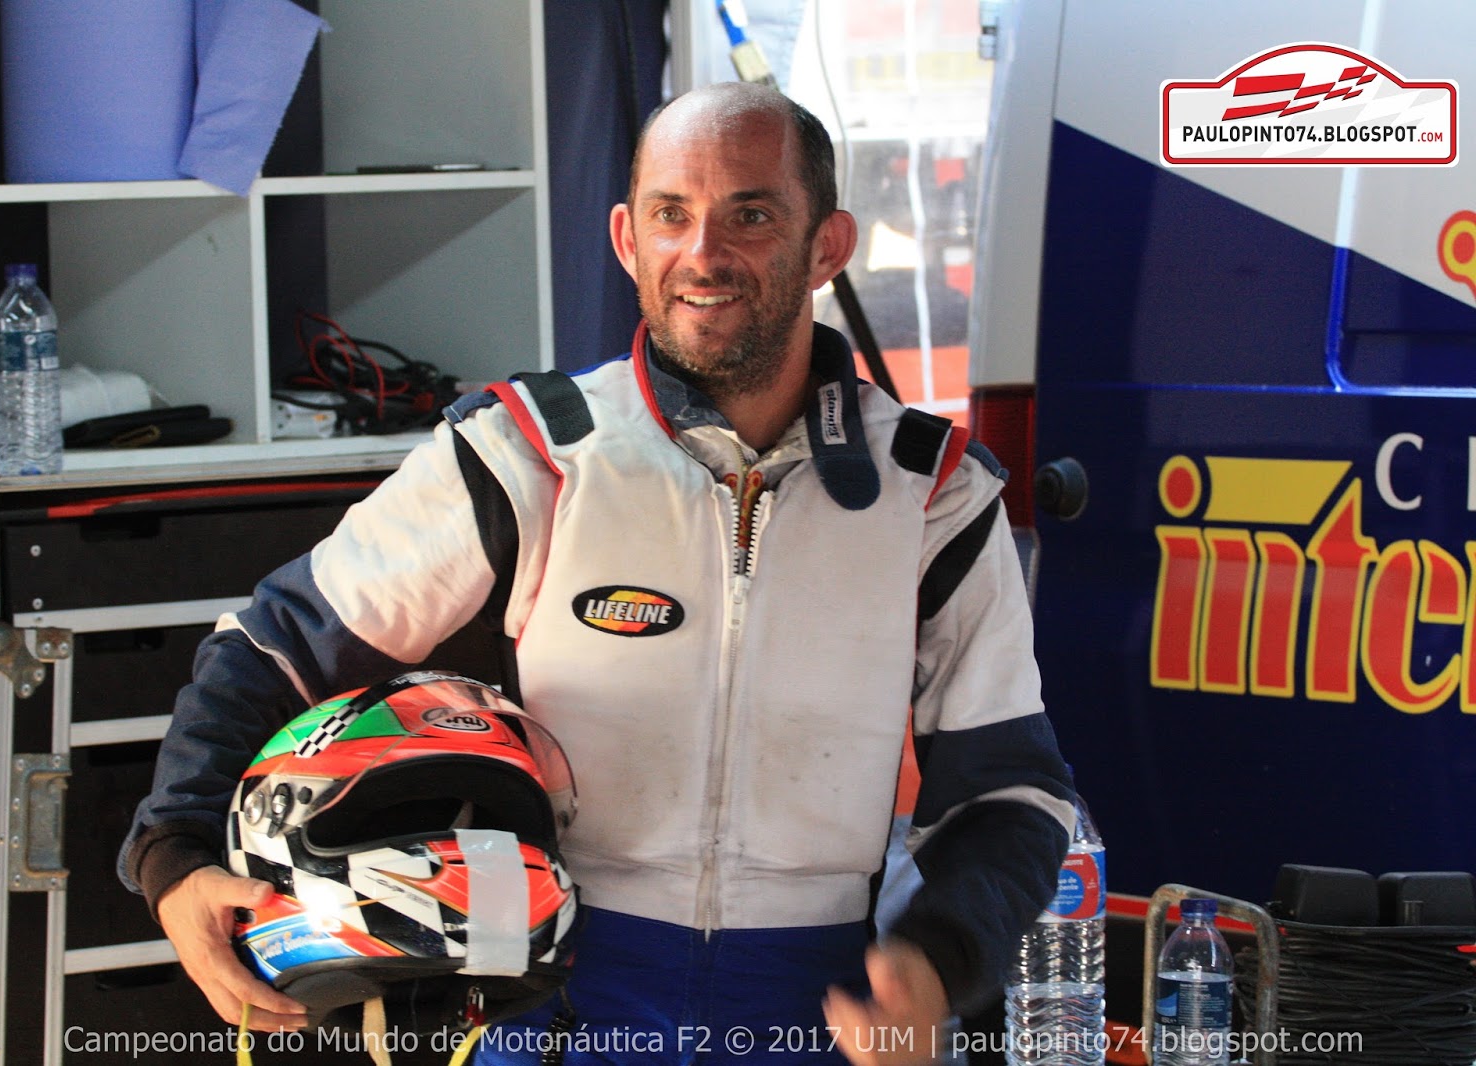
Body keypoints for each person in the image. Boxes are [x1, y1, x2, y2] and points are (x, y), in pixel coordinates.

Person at [119, 81, 1074, 1065]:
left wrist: (938, 960)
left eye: (750, 215)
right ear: (626, 238)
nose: (702, 254)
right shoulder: (530, 454)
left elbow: (1012, 795)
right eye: (671, 214)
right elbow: (272, 646)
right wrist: (174, 855)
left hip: (820, 1012)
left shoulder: (932, 493)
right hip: (558, 1002)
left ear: (827, 245)